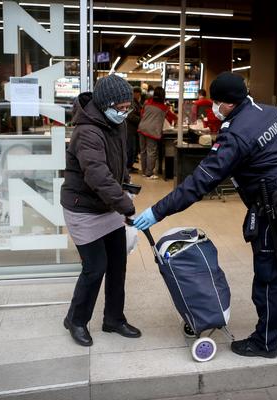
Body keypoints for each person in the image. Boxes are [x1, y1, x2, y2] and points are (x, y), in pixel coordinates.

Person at [134, 72, 277, 358]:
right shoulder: (271, 113)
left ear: (228, 104)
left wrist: (157, 211)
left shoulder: (235, 134)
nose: (213, 109)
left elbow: (200, 181)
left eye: (215, 103)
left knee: (273, 268)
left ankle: (265, 342)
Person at [60, 74, 141, 347]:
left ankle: (114, 319)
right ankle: (76, 320)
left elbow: (118, 162)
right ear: (106, 104)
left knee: (118, 264)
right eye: (120, 107)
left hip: (108, 205)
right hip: (83, 208)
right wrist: (125, 205)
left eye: (127, 107)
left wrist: (125, 186)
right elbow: (97, 176)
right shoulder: (86, 131)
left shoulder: (115, 123)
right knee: (95, 268)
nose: (124, 112)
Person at [137, 86, 177, 179]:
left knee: (143, 151)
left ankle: (144, 171)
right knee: (151, 152)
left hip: (142, 128)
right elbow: (173, 117)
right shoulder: (164, 107)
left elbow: (142, 114)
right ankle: (149, 173)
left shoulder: (146, 103)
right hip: (152, 131)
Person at [126, 87, 142, 173]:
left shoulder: (136, 103)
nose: (139, 95)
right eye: (138, 93)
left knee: (134, 149)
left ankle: (130, 165)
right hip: (130, 129)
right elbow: (130, 116)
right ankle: (127, 167)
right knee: (130, 148)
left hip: (134, 129)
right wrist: (141, 119)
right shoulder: (131, 103)